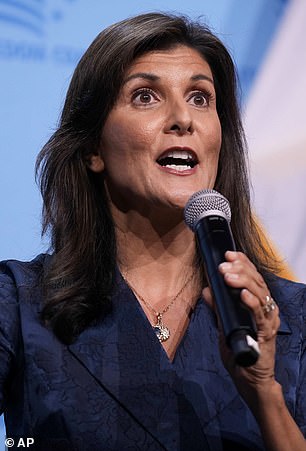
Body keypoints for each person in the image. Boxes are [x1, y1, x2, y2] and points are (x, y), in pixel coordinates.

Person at [0, 11, 305, 451]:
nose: (184, 118)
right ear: (93, 148)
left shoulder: (294, 319)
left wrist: (265, 393)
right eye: (146, 96)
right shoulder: (20, 305)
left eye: (201, 98)